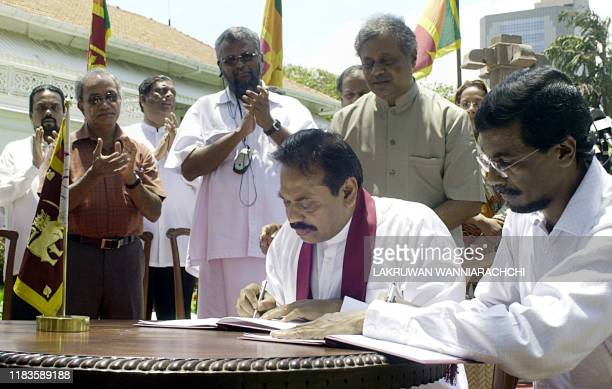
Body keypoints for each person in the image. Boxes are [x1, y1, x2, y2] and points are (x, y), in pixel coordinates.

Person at [273, 67, 612, 388]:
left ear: (563, 151)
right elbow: (489, 308)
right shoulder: (526, 215)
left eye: (505, 163)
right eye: (487, 161)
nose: (492, 178)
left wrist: (373, 320)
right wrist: (384, 317)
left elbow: (535, 341)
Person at [236, 129, 465, 321]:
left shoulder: (415, 229)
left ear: (347, 191)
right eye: (286, 202)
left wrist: (342, 311)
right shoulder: (288, 238)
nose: (293, 217)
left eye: (305, 203)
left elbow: (442, 322)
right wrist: (265, 303)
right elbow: (285, 310)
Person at [166, 27, 316, 318]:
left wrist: (269, 124)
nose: (239, 64)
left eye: (246, 56)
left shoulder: (291, 108)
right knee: (220, 333)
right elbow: (188, 168)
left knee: (276, 327)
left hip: (279, 239)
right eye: (230, 59)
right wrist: (237, 135)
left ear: (260, 59)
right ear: (220, 67)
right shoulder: (204, 108)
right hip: (223, 242)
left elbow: (312, 161)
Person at [331, 14, 483, 245]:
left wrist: (407, 237)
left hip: (430, 256)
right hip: (362, 255)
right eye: (368, 63)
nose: (377, 71)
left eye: (387, 61)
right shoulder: (343, 122)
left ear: (412, 58)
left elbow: (467, 201)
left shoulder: (449, 119)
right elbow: (331, 193)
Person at [68, 69, 165, 320]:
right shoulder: (66, 150)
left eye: (110, 96)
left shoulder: (139, 151)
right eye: (95, 99)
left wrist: (131, 179)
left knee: (125, 341)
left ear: (120, 101)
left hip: (126, 258)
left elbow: (154, 212)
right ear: (81, 106)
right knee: (74, 344)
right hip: (78, 257)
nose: (104, 104)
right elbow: (52, 209)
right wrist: (94, 175)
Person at [124, 75, 198, 320]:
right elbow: (125, 180)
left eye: (172, 93)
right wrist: (156, 156)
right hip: (141, 242)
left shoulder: (189, 138)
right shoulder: (127, 136)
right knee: (137, 317)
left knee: (176, 317)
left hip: (179, 243)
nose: (168, 97)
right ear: (143, 99)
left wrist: (177, 154)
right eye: (160, 92)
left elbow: (201, 182)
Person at [0, 84, 65, 319]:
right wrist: (34, 166)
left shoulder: (74, 150)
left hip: (63, 266)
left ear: (64, 114)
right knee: (19, 343)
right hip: (21, 265)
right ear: (30, 115)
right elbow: (2, 195)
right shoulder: (14, 150)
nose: (48, 113)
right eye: (41, 108)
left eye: (54, 107)